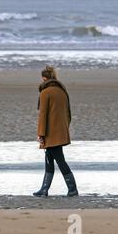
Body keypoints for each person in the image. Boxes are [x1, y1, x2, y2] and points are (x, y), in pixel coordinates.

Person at [34, 65, 78, 197]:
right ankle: (44, 189)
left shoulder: (45, 93)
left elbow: (43, 115)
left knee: (59, 160)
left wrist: (40, 134)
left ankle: (72, 189)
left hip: (50, 133)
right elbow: (68, 113)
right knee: (49, 159)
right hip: (61, 131)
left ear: (44, 78)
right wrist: (65, 128)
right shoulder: (62, 91)